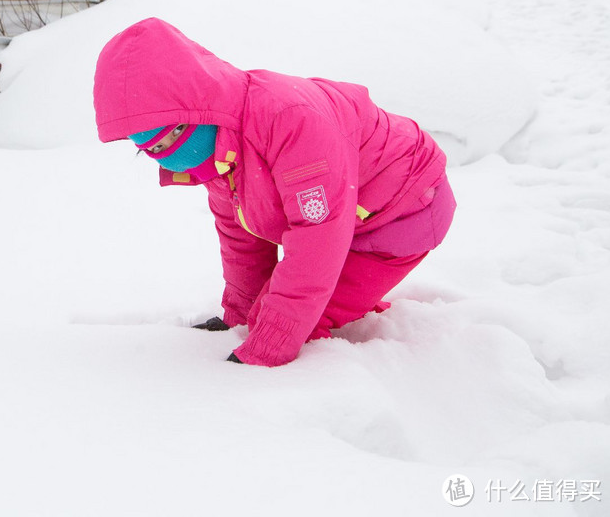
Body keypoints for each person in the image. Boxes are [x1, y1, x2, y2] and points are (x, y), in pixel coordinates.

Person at [93, 18, 455, 367]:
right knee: (267, 313)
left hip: (404, 209)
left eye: (170, 137)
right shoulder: (219, 146)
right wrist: (239, 319)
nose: (170, 157)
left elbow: (317, 242)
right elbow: (241, 238)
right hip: (346, 215)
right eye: (150, 149)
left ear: (196, 109)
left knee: (301, 321)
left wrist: (265, 350)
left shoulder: (288, 121)